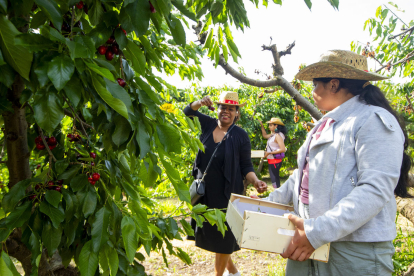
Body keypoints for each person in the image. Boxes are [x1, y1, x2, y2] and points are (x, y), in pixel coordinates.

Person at [255, 50, 412, 275]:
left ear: (334, 84)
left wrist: (316, 232)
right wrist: (264, 206)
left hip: (353, 252)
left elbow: (374, 190)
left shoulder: (373, 120)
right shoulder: (324, 125)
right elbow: (300, 177)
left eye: (315, 85)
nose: (312, 92)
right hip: (308, 241)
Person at [184, 91, 267, 276]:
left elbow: (246, 165)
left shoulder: (240, 136)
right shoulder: (207, 124)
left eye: (231, 109)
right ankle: (234, 272)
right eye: (223, 107)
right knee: (216, 235)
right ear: (217, 108)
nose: (226, 111)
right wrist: (199, 102)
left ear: (237, 112)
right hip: (205, 193)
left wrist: (256, 181)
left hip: (228, 194)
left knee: (224, 237)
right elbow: (187, 112)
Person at [258, 118, 287, 188]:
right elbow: (265, 136)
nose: (269, 127)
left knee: (275, 179)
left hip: (275, 160)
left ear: (276, 126)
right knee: (274, 179)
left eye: (270, 125)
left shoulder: (278, 136)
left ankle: (277, 194)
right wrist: (262, 125)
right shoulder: (273, 134)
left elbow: (283, 149)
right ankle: (277, 194)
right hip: (272, 160)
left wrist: (269, 153)